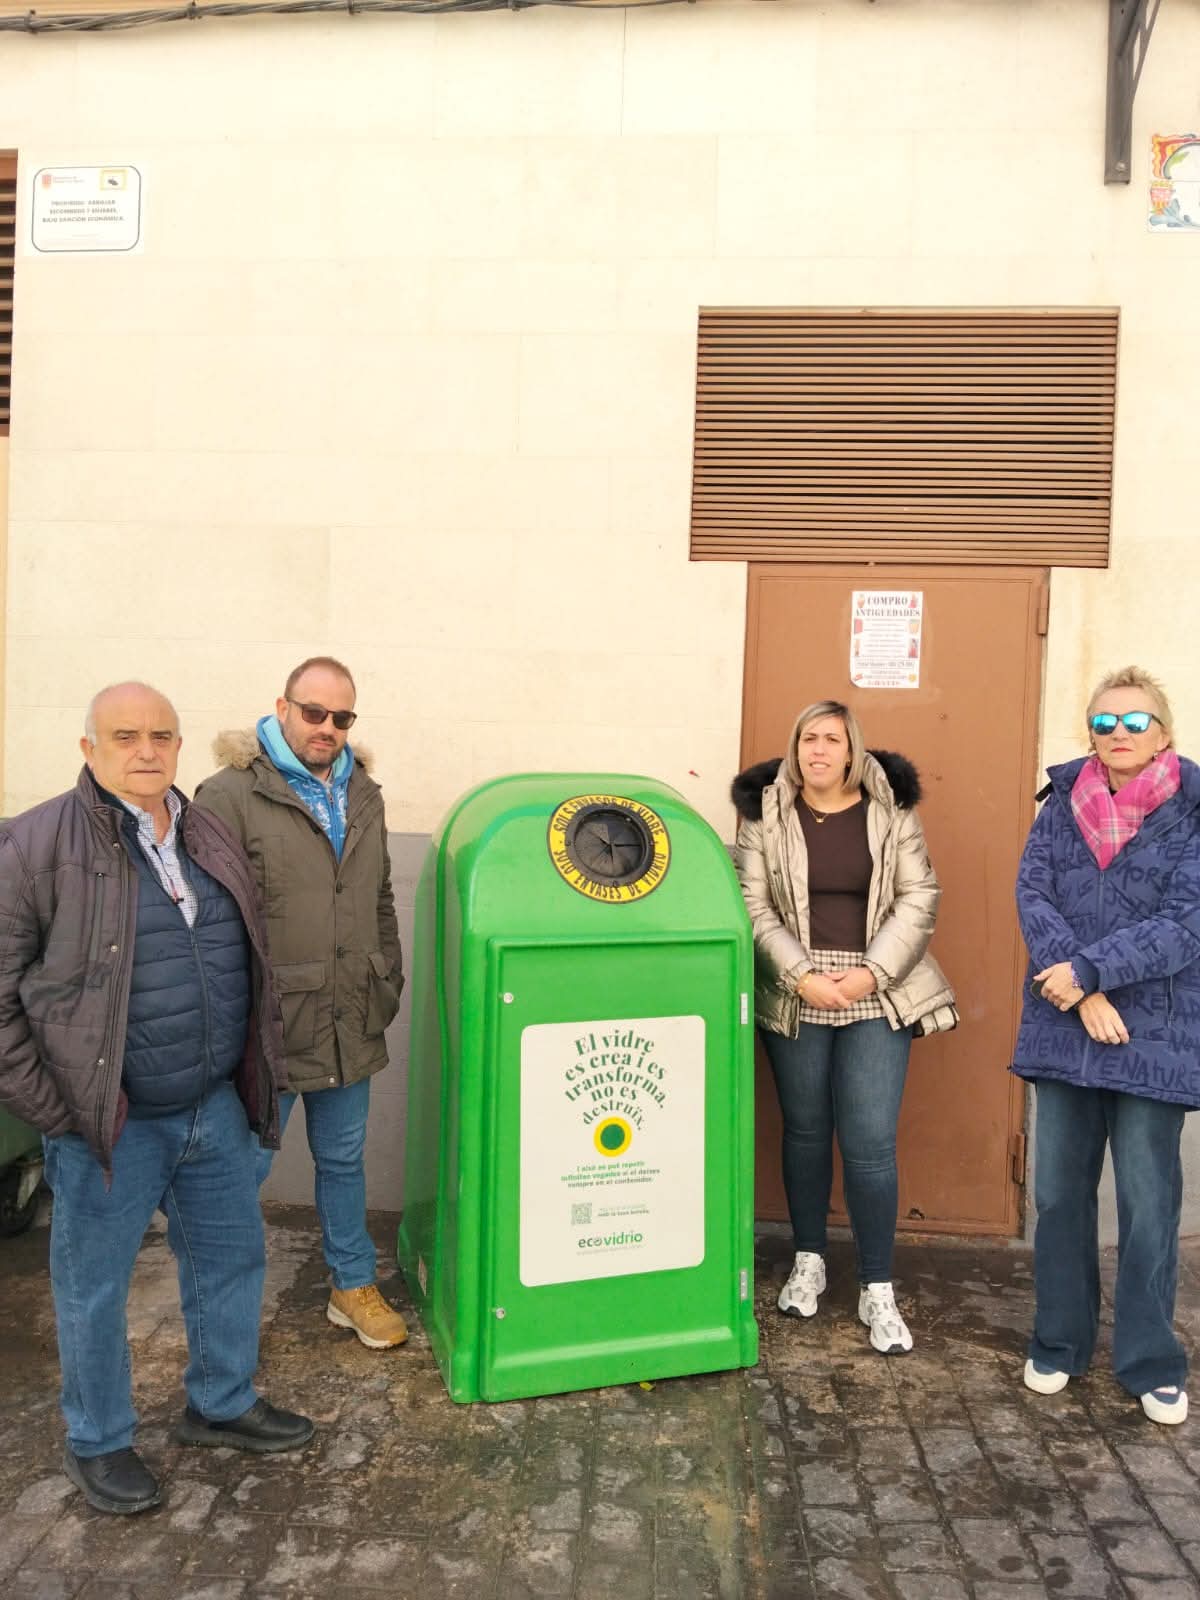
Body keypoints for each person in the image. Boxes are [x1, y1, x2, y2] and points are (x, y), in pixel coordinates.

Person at [0, 683, 313, 1517]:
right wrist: (60, 1108)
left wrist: (253, 1075)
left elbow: (248, 953)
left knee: (231, 1259)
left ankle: (220, 1403)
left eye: (162, 736)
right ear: (88, 747)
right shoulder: (34, 845)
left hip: (212, 1104)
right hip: (109, 1122)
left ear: (180, 746)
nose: (146, 750)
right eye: (126, 735)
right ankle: (98, 1440)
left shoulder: (206, 827)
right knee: (92, 1286)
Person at [194, 656, 407, 1350]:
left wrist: (387, 977)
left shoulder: (363, 793)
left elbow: (376, 897)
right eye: (313, 712)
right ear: (282, 707)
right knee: (241, 1168)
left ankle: (352, 1284)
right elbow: (204, 913)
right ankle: (220, 1307)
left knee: (343, 1159)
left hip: (350, 1014)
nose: (327, 728)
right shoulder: (228, 795)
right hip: (271, 1025)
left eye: (342, 718)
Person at [732, 700, 954, 1354]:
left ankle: (877, 1288)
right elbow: (753, 902)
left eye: (831, 739)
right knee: (804, 1130)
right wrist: (801, 975)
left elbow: (921, 897)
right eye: (807, 739)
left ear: (852, 749)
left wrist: (868, 976)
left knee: (869, 1141)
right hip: (796, 985)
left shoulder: (891, 810)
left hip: (874, 986)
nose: (818, 751)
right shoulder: (764, 814)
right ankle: (809, 1259)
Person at [1014, 665, 1200, 1426]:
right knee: (1058, 1197)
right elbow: (1034, 893)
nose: (1116, 734)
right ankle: (1058, 1342)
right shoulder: (1060, 805)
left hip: (1155, 1031)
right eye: (1102, 721)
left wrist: (1096, 970)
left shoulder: (1193, 809)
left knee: (1150, 1203)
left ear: (1163, 734)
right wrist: (1081, 991)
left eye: (1132, 722)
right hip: (1066, 1021)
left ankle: (1152, 1360)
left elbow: (1188, 920)